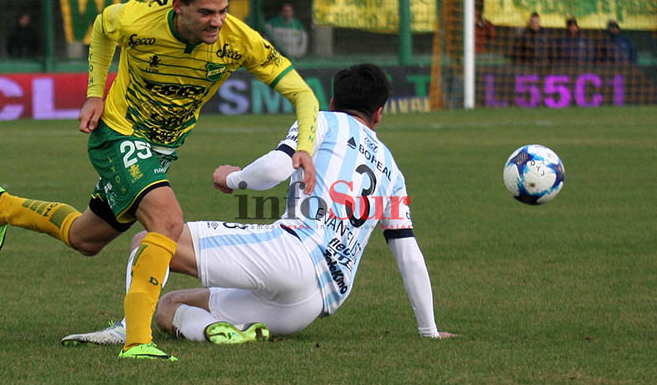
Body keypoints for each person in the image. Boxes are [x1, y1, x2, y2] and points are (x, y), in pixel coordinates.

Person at [0, 0, 318, 362]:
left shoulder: (240, 40)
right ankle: (137, 340)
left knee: (85, 238)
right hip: (117, 133)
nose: (217, 21)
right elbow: (103, 26)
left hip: (159, 152)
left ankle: (2, 207)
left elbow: (303, 94)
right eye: (206, 12)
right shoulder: (138, 20)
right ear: (179, 6)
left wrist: (304, 147)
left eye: (223, 10)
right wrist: (95, 93)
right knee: (168, 222)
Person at [59, 63, 457, 348]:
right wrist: (429, 330)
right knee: (169, 307)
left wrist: (232, 178)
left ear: (333, 99)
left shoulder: (322, 120)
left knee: (151, 239)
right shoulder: (392, 171)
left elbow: (274, 169)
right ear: (380, 113)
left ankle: (128, 330)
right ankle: (214, 332)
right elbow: (408, 253)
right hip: (312, 303)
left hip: (292, 253)